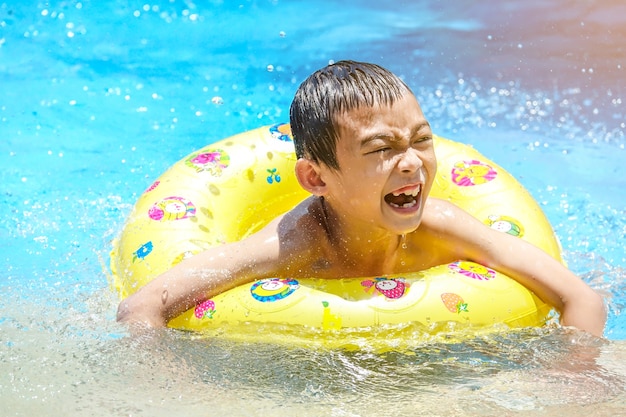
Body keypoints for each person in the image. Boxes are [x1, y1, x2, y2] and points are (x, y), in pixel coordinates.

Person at [117, 60, 606, 337]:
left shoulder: (441, 225)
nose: (413, 162)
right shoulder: (294, 246)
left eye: (421, 140)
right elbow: (144, 305)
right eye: (381, 149)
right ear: (315, 179)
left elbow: (580, 297)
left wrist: (572, 376)